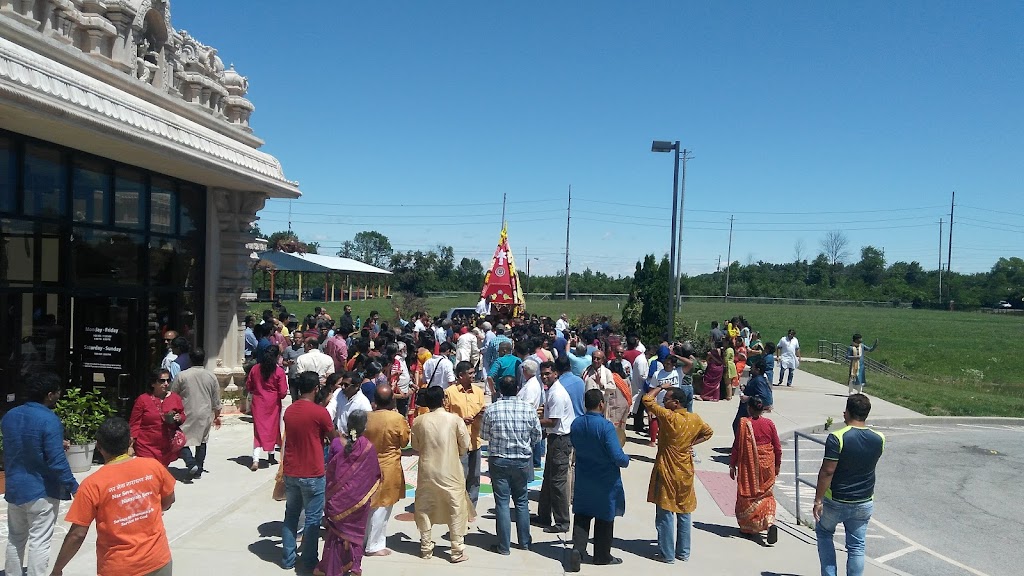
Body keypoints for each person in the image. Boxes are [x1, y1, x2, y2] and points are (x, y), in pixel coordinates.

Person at [50, 417, 175, 576]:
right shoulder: (153, 466)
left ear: (98, 446)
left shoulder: (92, 485)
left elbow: (77, 534)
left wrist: (57, 569)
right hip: (158, 561)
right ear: (130, 442)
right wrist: (147, 512)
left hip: (118, 567)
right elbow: (169, 499)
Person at [2, 373, 78, 576]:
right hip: (41, 490)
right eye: (58, 392)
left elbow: (22, 443)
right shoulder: (49, 419)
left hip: (15, 488)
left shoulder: (10, 416)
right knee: (39, 542)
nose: (59, 396)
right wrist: (74, 486)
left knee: (15, 538)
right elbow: (57, 461)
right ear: (49, 394)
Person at [642, 383, 714, 564]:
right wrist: (691, 444)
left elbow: (647, 400)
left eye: (666, 400)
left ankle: (667, 554)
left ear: (676, 403)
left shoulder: (669, 417)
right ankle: (683, 552)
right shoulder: (694, 419)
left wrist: (660, 386)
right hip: (685, 470)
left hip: (667, 469)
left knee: (665, 512)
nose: (664, 402)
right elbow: (708, 432)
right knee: (684, 511)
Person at [814, 394, 885, 576]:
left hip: (836, 499)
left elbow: (827, 471)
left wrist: (818, 500)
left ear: (848, 412)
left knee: (824, 533)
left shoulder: (837, 437)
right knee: (857, 546)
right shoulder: (879, 438)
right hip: (864, 500)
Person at [281, 372, 339, 572]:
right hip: (313, 471)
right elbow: (334, 437)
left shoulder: (289, 411)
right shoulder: (319, 413)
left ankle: (288, 559)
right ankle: (309, 561)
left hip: (291, 471)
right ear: (316, 389)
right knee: (313, 520)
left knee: (291, 516)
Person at [568, 390, 630, 571]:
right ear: (601, 405)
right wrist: (626, 460)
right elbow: (617, 457)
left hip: (584, 476)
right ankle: (602, 556)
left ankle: (578, 551)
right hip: (605, 480)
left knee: (582, 515)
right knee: (604, 518)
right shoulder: (606, 427)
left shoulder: (576, 423)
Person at [314, 410, 383, 576]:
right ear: (364, 426)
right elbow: (374, 474)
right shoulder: (368, 447)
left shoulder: (337, 443)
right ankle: (354, 567)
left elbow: (330, 469)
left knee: (335, 535)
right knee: (355, 534)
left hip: (337, 500)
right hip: (359, 500)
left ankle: (332, 568)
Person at [481, 375, 542, 555]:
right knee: (522, 502)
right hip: (522, 460)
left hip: (499, 460)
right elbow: (537, 437)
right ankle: (524, 542)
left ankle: (504, 546)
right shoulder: (528, 409)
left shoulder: (492, 409)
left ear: (500, 389)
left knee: (502, 503)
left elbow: (484, 435)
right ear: (517, 389)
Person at [411, 386, 472, 562]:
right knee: (456, 507)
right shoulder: (455, 420)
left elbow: (415, 445)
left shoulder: (419, 421)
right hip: (451, 469)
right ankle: (456, 550)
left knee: (424, 506)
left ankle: (426, 547)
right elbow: (465, 445)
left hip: (427, 470)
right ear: (444, 400)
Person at [363, 385, 411, 558]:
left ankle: (366, 539)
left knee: (370, 504)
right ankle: (374, 545)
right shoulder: (397, 418)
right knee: (382, 507)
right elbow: (405, 442)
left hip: (367, 464)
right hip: (389, 465)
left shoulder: (367, 417)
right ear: (392, 399)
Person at [729, 395, 782, 544]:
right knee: (766, 495)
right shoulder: (769, 423)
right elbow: (777, 446)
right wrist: (777, 464)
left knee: (748, 495)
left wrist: (732, 464)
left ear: (749, 408)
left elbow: (737, 446)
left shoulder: (744, 424)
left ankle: (749, 527)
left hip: (749, 466)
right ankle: (769, 522)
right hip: (767, 465)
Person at [534, 361, 575, 533]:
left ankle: (562, 522)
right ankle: (543, 516)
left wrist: (532, 419)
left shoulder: (557, 393)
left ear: (555, 374)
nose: (544, 377)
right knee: (548, 478)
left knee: (557, 482)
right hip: (553, 438)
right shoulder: (550, 391)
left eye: (548, 374)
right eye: (542, 374)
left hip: (561, 440)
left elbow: (553, 421)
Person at [170, 348, 222, 480]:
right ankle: (198, 468)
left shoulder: (182, 376)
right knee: (202, 441)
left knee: (180, 439)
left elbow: (173, 394)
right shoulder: (211, 376)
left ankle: (190, 462)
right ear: (204, 359)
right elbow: (216, 398)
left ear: (190, 359)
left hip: (186, 412)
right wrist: (217, 415)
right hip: (205, 413)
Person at [444, 361, 486, 509]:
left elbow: (482, 411)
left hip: (475, 441)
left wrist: (481, 415)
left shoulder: (479, 392)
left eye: (474, 373)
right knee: (458, 478)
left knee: (474, 478)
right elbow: (443, 417)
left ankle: (471, 509)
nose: (473, 376)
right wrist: (461, 420)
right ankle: (457, 508)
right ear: (461, 375)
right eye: (470, 373)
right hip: (458, 443)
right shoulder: (450, 392)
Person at [129, 368, 186, 467]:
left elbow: (182, 415)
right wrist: (130, 445)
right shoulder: (143, 400)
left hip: (166, 447)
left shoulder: (175, 398)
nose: (166, 384)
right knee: (148, 473)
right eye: (162, 381)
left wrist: (179, 418)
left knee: (160, 475)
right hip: (146, 446)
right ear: (153, 383)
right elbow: (134, 424)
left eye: (168, 380)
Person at [245, 344, 288, 471]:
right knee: (273, 429)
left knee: (258, 431)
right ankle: (271, 455)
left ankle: (256, 459)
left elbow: (249, 386)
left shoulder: (255, 369)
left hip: (258, 403)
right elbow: (283, 392)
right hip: (273, 403)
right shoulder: (279, 371)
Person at [584, 351, 629, 446]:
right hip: (587, 404)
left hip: (601, 406)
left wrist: (601, 384)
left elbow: (612, 388)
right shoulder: (586, 371)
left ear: (603, 360)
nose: (595, 360)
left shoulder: (607, 372)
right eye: (594, 358)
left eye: (598, 359)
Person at [732, 356, 774, 438]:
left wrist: (747, 398)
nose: (751, 368)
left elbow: (763, 397)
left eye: (753, 367)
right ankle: (740, 446)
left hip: (749, 410)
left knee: (740, 426)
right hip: (745, 408)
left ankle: (743, 447)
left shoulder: (759, 380)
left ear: (758, 370)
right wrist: (745, 388)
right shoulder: (755, 378)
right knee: (738, 426)